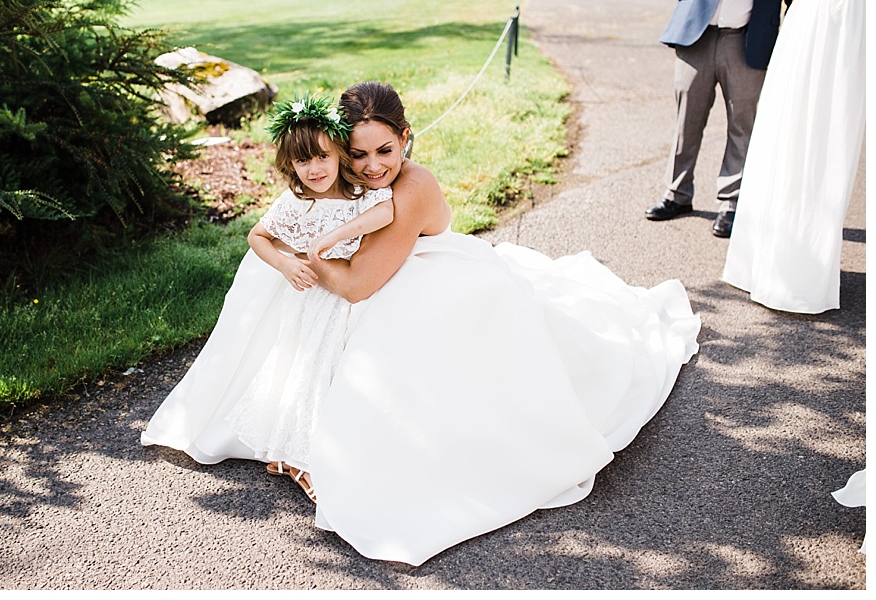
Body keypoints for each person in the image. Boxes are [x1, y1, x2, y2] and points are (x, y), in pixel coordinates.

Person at [142, 81, 702, 567]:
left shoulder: (411, 188)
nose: (372, 166)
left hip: (418, 282)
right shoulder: (351, 181)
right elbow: (314, 219)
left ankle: (342, 449)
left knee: (404, 352)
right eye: (357, 154)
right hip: (371, 277)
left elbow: (360, 284)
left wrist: (310, 255)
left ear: (406, 137)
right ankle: (294, 428)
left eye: (385, 149)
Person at [141, 93, 393, 503]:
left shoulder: (359, 193)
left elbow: (384, 214)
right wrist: (286, 264)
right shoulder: (296, 203)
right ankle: (298, 456)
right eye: (303, 161)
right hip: (310, 299)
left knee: (337, 373)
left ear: (340, 155)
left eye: (323, 158)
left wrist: (331, 236)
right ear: (290, 165)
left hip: (347, 296)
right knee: (308, 372)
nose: (314, 169)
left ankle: (317, 449)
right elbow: (257, 236)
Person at [715, 0, 865, 314]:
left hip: (823, 23)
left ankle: (782, 267)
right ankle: (809, 267)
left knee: (793, 133)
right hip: (861, 20)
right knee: (833, 140)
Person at [647, 0, 800, 238]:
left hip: (748, 39)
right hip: (697, 34)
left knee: (743, 124)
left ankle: (731, 203)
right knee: (686, 121)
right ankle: (676, 194)